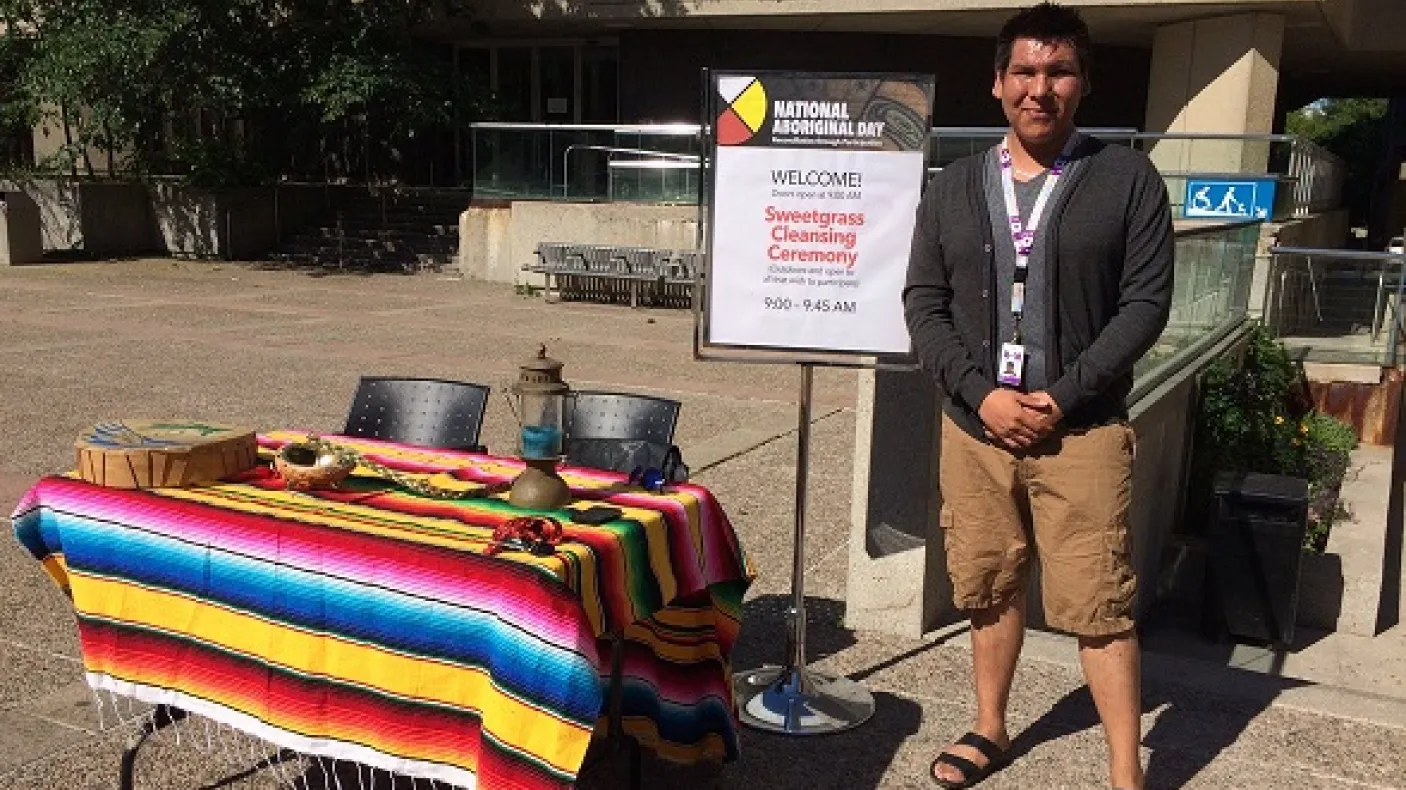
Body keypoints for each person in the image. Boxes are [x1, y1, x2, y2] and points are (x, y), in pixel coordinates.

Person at [902, 4, 1173, 789]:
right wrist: (981, 395)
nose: (1040, 88)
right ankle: (991, 727)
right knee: (988, 583)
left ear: (1083, 84)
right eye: (1024, 71)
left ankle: (1126, 769)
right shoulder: (954, 186)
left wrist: (1061, 396)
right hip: (976, 428)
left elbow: (1145, 306)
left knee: (1099, 601)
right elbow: (925, 303)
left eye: (1057, 72)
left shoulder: (1127, 179)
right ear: (997, 83)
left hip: (1081, 431)